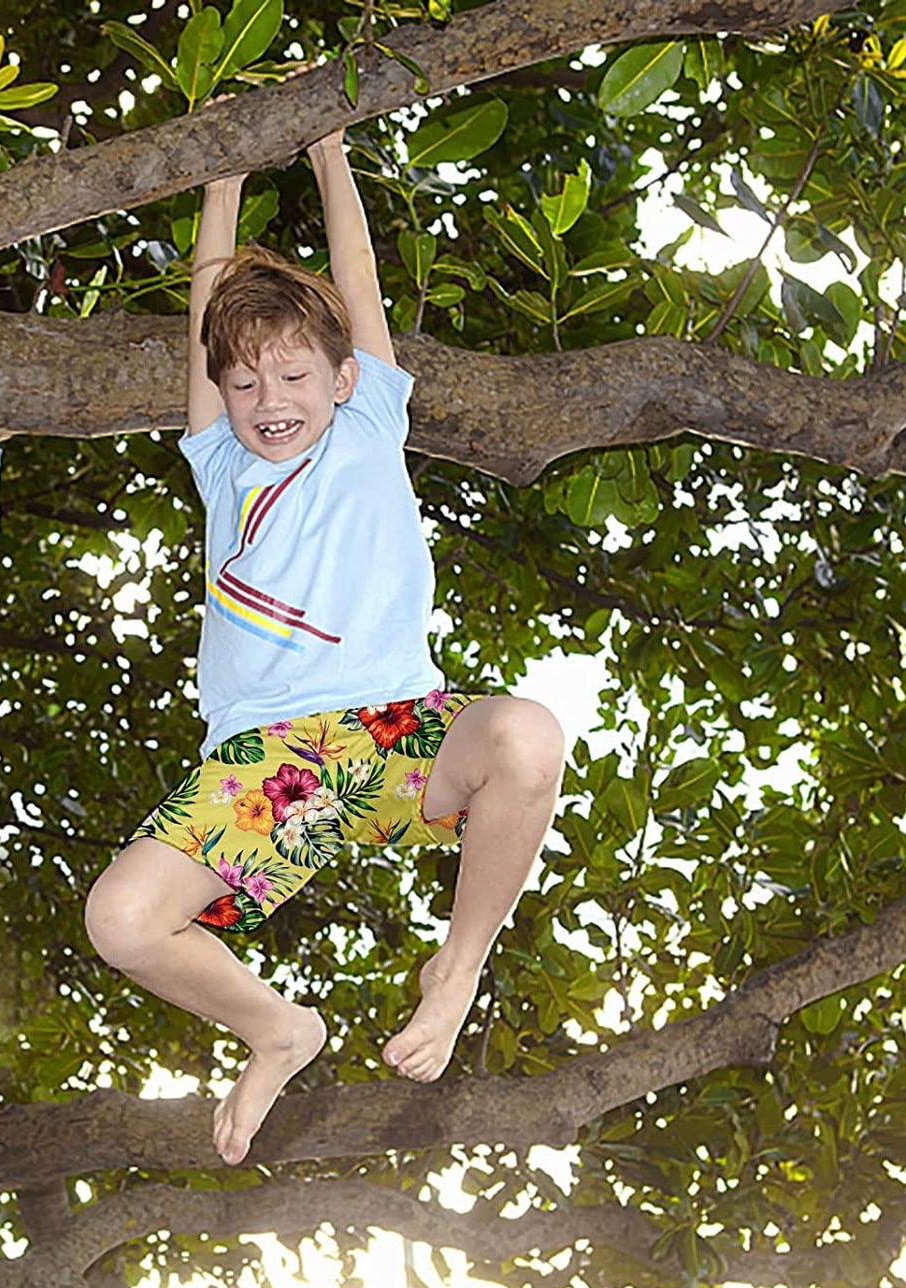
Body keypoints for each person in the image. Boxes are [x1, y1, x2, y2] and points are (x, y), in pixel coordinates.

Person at [85, 131, 565, 1168]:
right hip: (266, 758)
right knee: (120, 918)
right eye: (246, 386)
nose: (270, 403)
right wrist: (221, 177)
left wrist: (327, 156)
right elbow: (208, 317)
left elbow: (354, 280)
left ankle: (458, 962)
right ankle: (274, 1026)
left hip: (397, 727)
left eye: (294, 377)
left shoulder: (365, 423)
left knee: (526, 735)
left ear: (344, 377)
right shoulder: (218, 460)